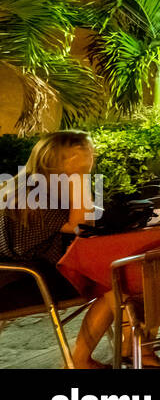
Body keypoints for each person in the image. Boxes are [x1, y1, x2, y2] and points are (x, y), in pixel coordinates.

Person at [0, 131, 116, 368]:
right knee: (116, 283)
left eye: (90, 151)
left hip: (31, 272)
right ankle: (80, 361)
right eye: (80, 153)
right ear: (55, 160)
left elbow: (86, 223)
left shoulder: (39, 186)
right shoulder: (30, 196)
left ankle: (130, 344)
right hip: (23, 280)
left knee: (119, 273)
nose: (89, 158)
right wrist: (79, 180)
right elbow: (82, 227)